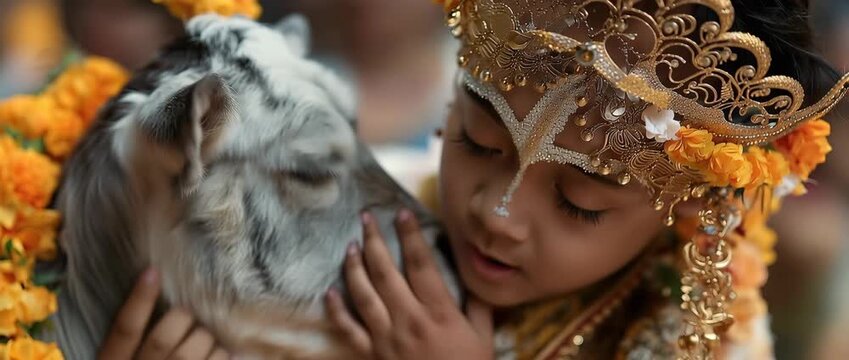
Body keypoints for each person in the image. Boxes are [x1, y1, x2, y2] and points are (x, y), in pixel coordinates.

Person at [96, 0, 848, 358]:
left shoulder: (709, 340)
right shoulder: (346, 213)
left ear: (691, 212)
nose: (498, 212)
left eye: (579, 204)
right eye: (477, 141)